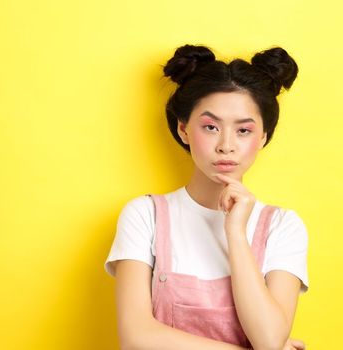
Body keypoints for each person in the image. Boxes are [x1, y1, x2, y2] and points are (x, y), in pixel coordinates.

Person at [104, 44, 309, 350]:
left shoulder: (283, 226)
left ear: (263, 136)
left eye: (243, 131)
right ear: (184, 129)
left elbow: (268, 339)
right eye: (211, 127)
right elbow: (137, 339)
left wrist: (236, 233)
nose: (226, 145)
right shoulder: (146, 215)